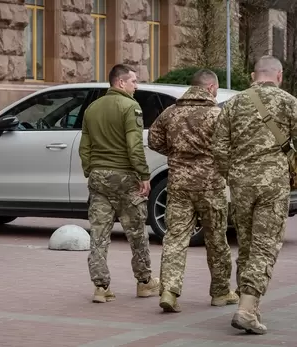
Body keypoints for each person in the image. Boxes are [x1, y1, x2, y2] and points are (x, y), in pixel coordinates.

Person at [212, 55, 297, 334]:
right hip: (273, 183)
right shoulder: (288, 102)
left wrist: (231, 173)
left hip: (240, 183)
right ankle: (247, 309)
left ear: (252, 75)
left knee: (247, 246)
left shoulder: (233, 103)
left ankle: (248, 304)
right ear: (279, 76)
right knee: (265, 245)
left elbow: (220, 146)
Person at [148, 69, 238, 313]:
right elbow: (229, 148)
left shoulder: (171, 112)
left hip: (178, 185)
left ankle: (169, 290)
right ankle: (220, 292)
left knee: (175, 238)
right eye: (216, 88)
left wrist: (177, 154)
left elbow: (153, 141)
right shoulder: (219, 115)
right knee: (216, 239)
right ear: (210, 88)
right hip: (211, 186)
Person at [79, 64, 159, 303]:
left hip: (98, 177)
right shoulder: (130, 106)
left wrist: (90, 170)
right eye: (134, 81)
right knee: (136, 232)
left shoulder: (92, 108)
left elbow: (84, 147)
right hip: (124, 176)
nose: (137, 86)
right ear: (120, 82)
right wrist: (144, 175)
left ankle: (101, 287)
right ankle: (144, 282)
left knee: (99, 234)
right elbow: (134, 146)